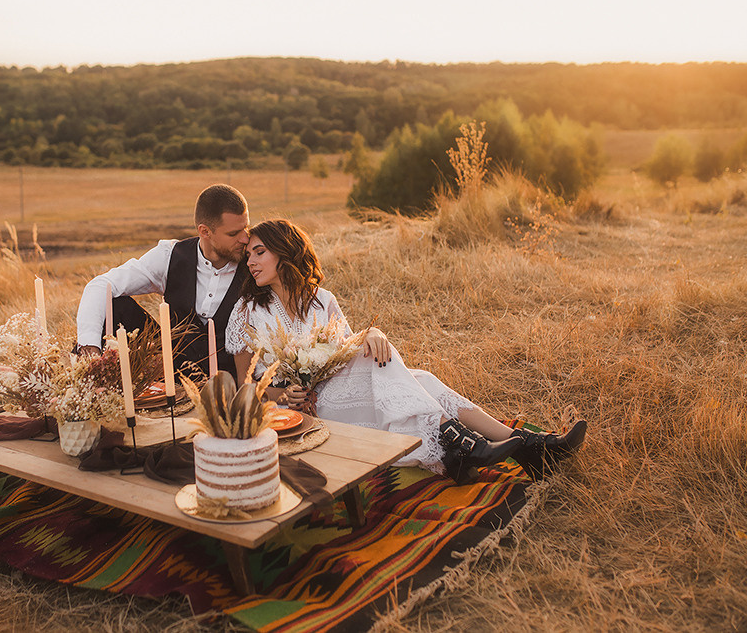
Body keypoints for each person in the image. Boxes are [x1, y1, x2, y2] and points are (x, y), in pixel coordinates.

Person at [226, 219, 586, 484]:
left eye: (260, 252)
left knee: (420, 377)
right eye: (249, 255)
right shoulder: (246, 312)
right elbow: (245, 388)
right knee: (412, 376)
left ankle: (512, 446)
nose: (252, 262)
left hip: (344, 390)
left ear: (285, 253)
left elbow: (347, 353)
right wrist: (284, 393)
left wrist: (372, 332)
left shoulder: (322, 301)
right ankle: (509, 445)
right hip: (307, 410)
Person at [75, 184, 250, 377]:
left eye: (246, 228)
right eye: (233, 233)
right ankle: (99, 384)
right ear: (205, 231)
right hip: (170, 366)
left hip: (227, 376)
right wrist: (89, 347)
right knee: (115, 305)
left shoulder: (256, 263)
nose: (244, 238)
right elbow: (100, 285)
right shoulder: (170, 256)